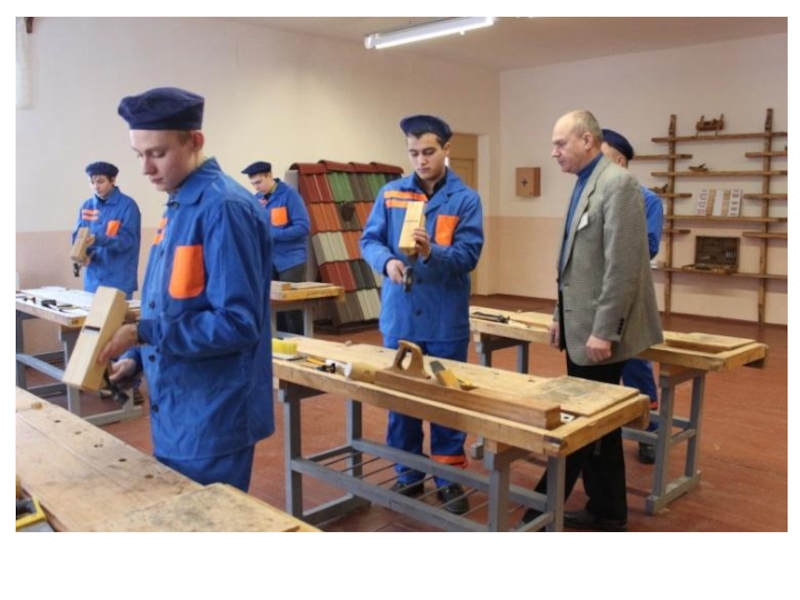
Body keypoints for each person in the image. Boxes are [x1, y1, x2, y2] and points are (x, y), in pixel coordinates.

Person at [98, 87, 274, 492]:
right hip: (179, 403)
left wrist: (143, 334)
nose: (146, 168)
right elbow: (172, 306)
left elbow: (238, 324)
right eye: (138, 155)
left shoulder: (224, 209)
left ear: (195, 141)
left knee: (208, 519)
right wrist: (138, 359)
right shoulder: (179, 205)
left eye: (157, 153)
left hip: (214, 412)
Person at [521, 110, 662, 531]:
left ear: (587, 140)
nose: (553, 152)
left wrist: (605, 329)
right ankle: (607, 512)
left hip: (600, 334)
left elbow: (623, 266)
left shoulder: (617, 184)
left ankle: (537, 512)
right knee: (600, 426)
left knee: (582, 424)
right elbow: (573, 264)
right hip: (580, 327)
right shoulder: (586, 181)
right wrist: (558, 316)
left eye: (560, 143)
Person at [360, 114, 484, 515]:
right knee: (403, 402)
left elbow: (468, 256)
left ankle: (448, 477)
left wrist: (432, 251)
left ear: (447, 149)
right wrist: (386, 262)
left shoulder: (466, 200)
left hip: (445, 320)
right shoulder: (391, 194)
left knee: (445, 400)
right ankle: (408, 474)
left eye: (429, 151)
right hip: (401, 318)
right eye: (413, 153)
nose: (421, 160)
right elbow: (369, 240)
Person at [601, 128, 664, 465]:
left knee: (636, 363)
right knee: (599, 366)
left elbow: (649, 246)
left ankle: (649, 432)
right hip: (597, 294)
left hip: (631, 294)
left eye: (603, 158)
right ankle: (603, 429)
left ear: (620, 161)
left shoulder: (647, 200)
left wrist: (612, 245)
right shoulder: (593, 195)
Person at [241, 160, 310, 335]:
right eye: (253, 184)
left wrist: (273, 235)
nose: (256, 187)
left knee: (291, 308)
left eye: (258, 182)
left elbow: (303, 227)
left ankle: (299, 342)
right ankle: (279, 343)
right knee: (272, 304)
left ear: (269, 176)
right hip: (268, 260)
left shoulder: (290, 195)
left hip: (291, 261)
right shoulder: (257, 200)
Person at [71, 161, 141, 299]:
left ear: (113, 180)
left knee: (117, 314)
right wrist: (83, 256)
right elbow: (77, 237)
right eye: (92, 182)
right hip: (93, 281)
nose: (96, 186)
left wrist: (98, 239)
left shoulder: (128, 206)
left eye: (100, 181)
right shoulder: (87, 206)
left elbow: (127, 241)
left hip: (118, 281)